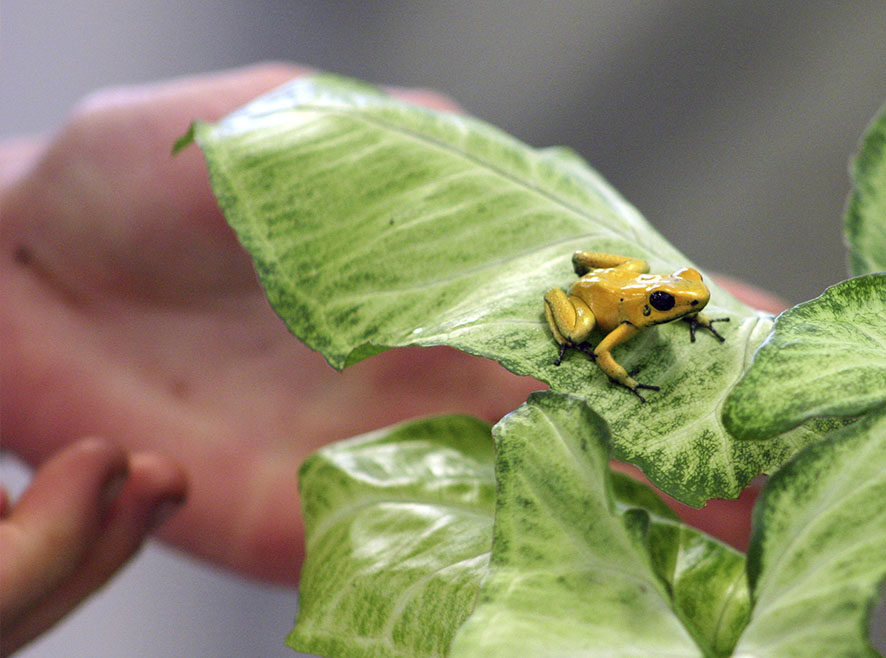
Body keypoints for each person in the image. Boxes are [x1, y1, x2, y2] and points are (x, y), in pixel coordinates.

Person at [0, 63, 784, 655]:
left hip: (611, 282)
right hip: (593, 305)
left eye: (684, 304)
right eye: (674, 305)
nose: (685, 307)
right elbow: (605, 345)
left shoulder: (673, 299)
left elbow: (664, 293)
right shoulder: (623, 324)